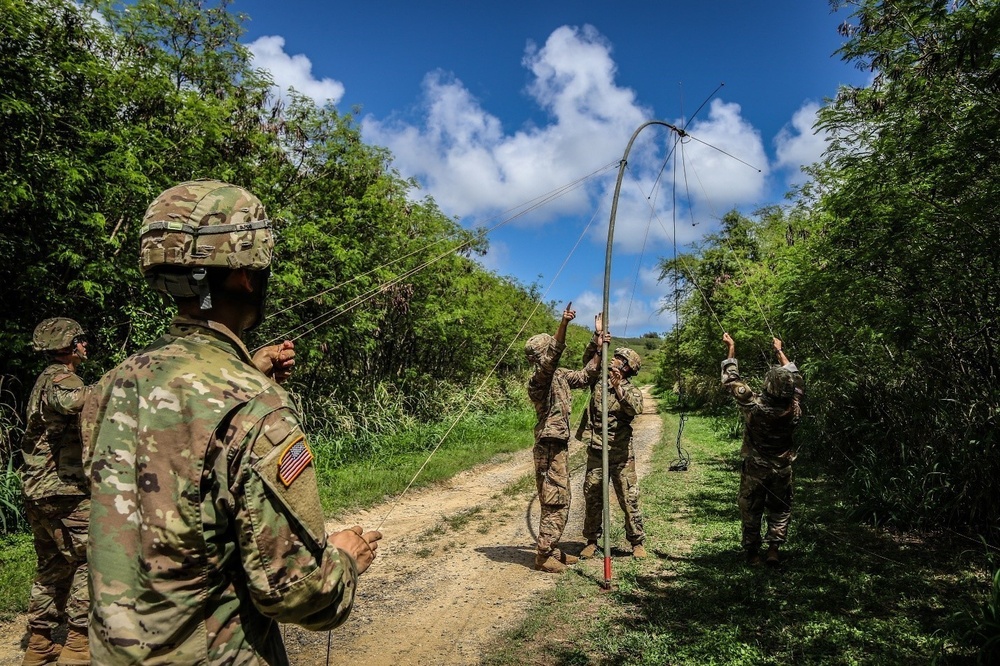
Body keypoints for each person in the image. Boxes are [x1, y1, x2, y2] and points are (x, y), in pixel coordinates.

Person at [81, 180, 382, 665]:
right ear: (245, 274)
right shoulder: (258, 406)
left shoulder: (111, 384)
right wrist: (346, 559)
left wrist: (248, 371)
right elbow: (297, 593)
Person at [20, 318, 92, 666]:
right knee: (90, 559)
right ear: (70, 345)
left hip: (39, 490)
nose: (86, 345)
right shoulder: (62, 378)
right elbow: (74, 402)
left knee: (52, 565)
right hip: (64, 491)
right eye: (82, 340)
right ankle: (78, 644)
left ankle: (40, 644)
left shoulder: (43, 379)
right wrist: (115, 384)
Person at [524, 303, 600, 573]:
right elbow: (552, 358)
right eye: (549, 351)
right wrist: (564, 323)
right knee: (555, 499)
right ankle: (543, 555)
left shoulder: (559, 375)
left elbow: (586, 375)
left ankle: (551, 546)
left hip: (558, 445)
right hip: (548, 445)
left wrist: (598, 344)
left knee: (560, 496)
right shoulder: (539, 380)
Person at [721, 332, 804, 566]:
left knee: (751, 508)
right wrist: (779, 350)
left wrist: (731, 347)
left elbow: (731, 379)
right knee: (780, 508)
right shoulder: (795, 408)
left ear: (768, 386)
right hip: (782, 468)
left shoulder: (755, 406)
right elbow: (796, 376)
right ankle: (773, 550)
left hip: (756, 469)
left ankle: (753, 554)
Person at [579, 315, 647, 559]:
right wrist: (597, 337)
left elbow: (635, 409)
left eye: (618, 357)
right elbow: (588, 362)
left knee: (628, 497)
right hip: (597, 451)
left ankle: (636, 542)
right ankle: (591, 540)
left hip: (620, 454)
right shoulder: (599, 379)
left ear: (627, 367)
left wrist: (618, 388)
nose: (613, 359)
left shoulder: (630, 390)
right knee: (593, 496)